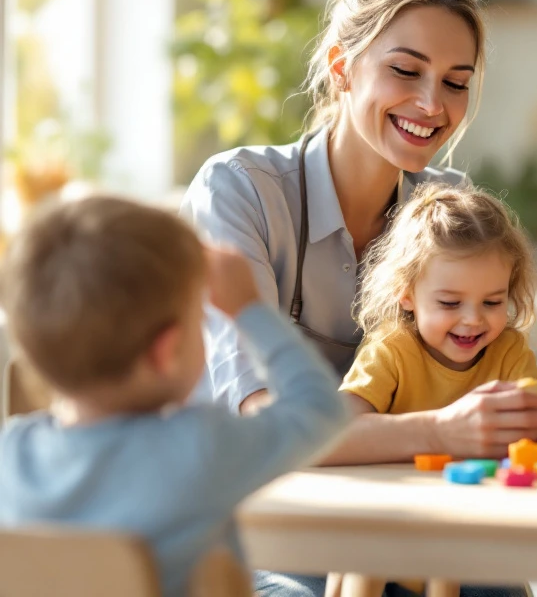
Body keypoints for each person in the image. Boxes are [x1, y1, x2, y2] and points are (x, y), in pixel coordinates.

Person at [180, 0, 537, 597]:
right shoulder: (240, 191)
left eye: (456, 83)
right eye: (405, 71)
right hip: (257, 531)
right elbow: (264, 421)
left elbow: (486, 372)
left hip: (411, 526)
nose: (433, 105)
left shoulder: (449, 207)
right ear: (342, 65)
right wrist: (441, 428)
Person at [0, 196, 346, 597]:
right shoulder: (198, 449)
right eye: (200, 319)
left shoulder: (11, 455)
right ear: (166, 352)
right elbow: (322, 409)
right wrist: (249, 309)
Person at [334, 183, 537, 463]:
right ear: (406, 294)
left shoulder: (508, 350)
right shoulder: (391, 349)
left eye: (492, 302)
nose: (473, 320)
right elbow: (331, 433)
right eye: (450, 303)